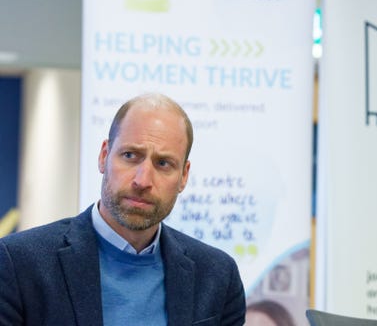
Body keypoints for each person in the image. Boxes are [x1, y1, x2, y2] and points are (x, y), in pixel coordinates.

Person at [0, 93, 246, 325]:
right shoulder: (19, 263)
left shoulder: (217, 276)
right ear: (104, 156)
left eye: (163, 163)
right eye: (130, 155)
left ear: (183, 176)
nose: (143, 180)